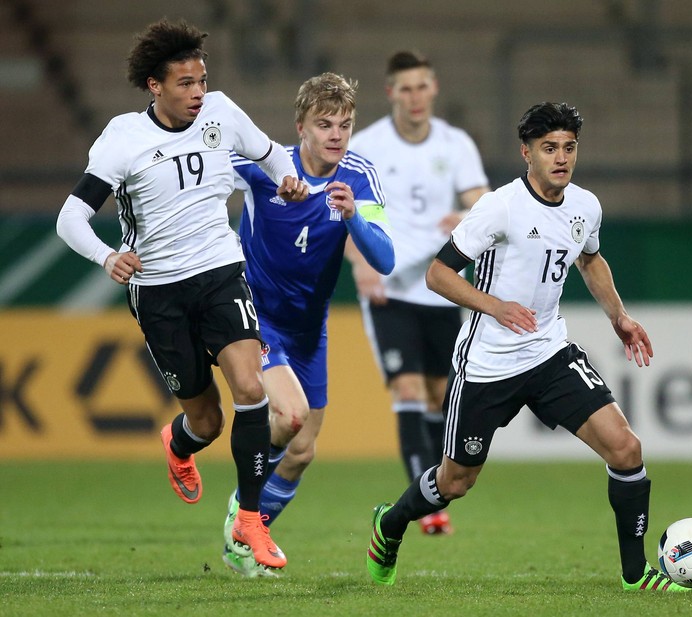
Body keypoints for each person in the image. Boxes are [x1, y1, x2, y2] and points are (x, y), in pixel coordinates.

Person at [365, 102, 691, 592]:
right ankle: (390, 525)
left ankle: (634, 574)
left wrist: (619, 317)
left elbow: (590, 259)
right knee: (455, 482)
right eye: (549, 148)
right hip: (488, 364)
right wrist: (494, 306)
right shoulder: (501, 206)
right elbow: (438, 275)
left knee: (626, 449)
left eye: (569, 147)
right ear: (527, 153)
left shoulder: (585, 205)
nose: (561, 158)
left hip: (549, 353)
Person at [55, 19, 309, 573]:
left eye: (201, 80)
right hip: (159, 291)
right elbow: (70, 216)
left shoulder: (221, 111)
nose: (197, 93)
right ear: (154, 86)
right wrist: (106, 256)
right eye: (184, 84)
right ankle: (179, 444)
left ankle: (248, 520)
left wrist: (288, 177)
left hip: (220, 272)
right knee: (207, 421)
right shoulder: (123, 140)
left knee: (249, 386)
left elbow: (271, 154)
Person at [221, 72, 394, 577]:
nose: (336, 135)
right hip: (257, 316)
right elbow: (205, 180)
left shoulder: (358, 176)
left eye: (344, 124)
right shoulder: (266, 167)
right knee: (289, 416)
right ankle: (243, 516)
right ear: (301, 127)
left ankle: (248, 533)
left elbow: (383, 258)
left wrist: (354, 217)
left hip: (308, 328)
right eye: (324, 124)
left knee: (301, 451)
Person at [348, 51, 490, 535]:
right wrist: (359, 265)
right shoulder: (366, 146)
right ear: (391, 93)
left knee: (439, 395)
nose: (414, 97)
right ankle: (428, 509)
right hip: (389, 287)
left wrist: (471, 217)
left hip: (441, 285)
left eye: (421, 87)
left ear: (433, 89)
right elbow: (346, 209)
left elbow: (481, 202)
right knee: (407, 389)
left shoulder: (456, 144)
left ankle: (435, 489)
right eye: (404, 88)